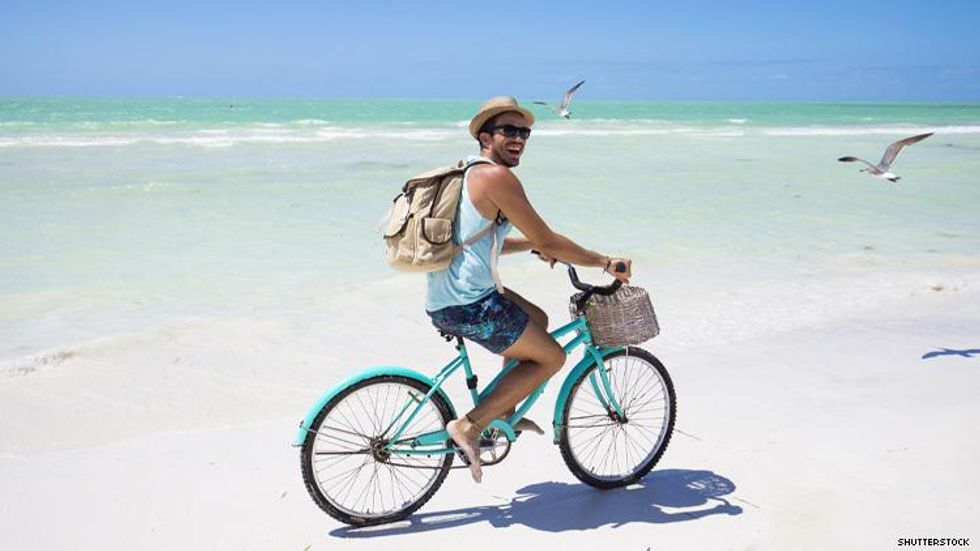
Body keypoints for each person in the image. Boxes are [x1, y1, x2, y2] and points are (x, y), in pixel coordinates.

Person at [426, 96, 632, 483]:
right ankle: (470, 426)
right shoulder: (496, 177)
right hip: (471, 305)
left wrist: (534, 246)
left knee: (537, 318)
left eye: (525, 132)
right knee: (552, 357)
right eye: (509, 131)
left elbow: (486, 241)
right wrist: (604, 262)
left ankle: (502, 412)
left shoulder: (470, 173)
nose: (519, 138)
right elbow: (548, 237)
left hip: (448, 298)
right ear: (486, 137)